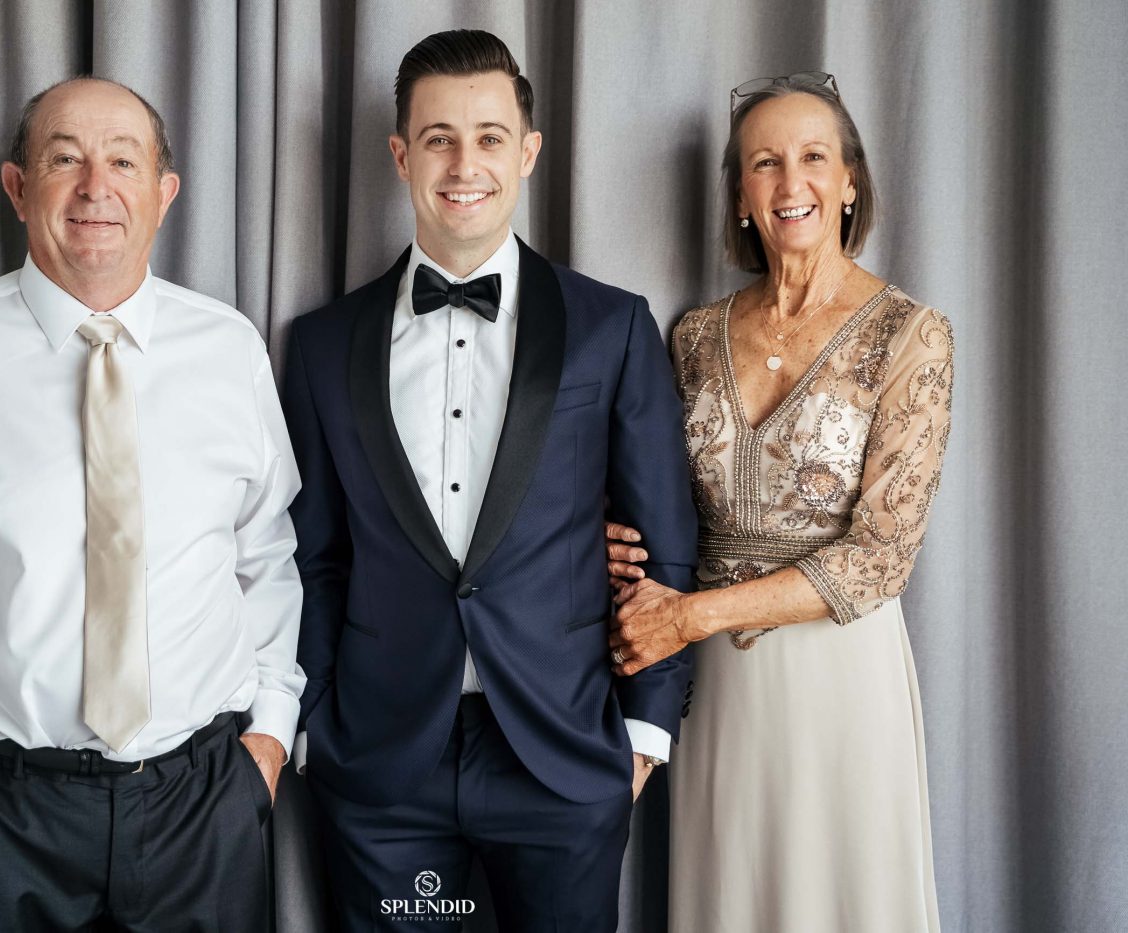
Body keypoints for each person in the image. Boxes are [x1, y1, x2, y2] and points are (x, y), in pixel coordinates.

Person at [0, 76, 303, 932]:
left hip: (204, 808)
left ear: (164, 193)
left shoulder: (232, 351)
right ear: (17, 187)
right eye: (65, 159)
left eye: (123, 162)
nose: (95, 186)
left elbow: (266, 555)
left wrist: (270, 739)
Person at [281, 29, 697, 933]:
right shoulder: (321, 345)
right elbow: (311, 555)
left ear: (529, 152)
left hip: (564, 756)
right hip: (381, 767)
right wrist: (313, 723)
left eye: (489, 137)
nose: (464, 164)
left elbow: (665, 545)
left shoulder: (612, 327)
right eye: (438, 139)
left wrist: (643, 734)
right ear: (401, 156)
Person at [607, 72, 952, 932]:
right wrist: (608, 540)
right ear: (740, 197)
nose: (790, 181)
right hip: (722, 690)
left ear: (850, 182)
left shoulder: (912, 334)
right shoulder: (693, 335)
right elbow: (661, 505)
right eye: (764, 162)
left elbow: (880, 558)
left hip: (842, 674)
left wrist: (690, 616)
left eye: (813, 157)